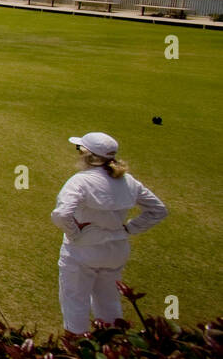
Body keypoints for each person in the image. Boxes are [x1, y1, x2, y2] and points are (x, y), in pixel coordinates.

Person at [51, 132, 167, 335]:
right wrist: (129, 228)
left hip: (82, 251)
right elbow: (158, 210)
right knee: (109, 301)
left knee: (75, 303)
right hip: (116, 250)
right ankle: (113, 348)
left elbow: (61, 214)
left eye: (79, 149)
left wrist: (75, 234)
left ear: (87, 155)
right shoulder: (129, 181)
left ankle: (75, 354)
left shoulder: (80, 181)